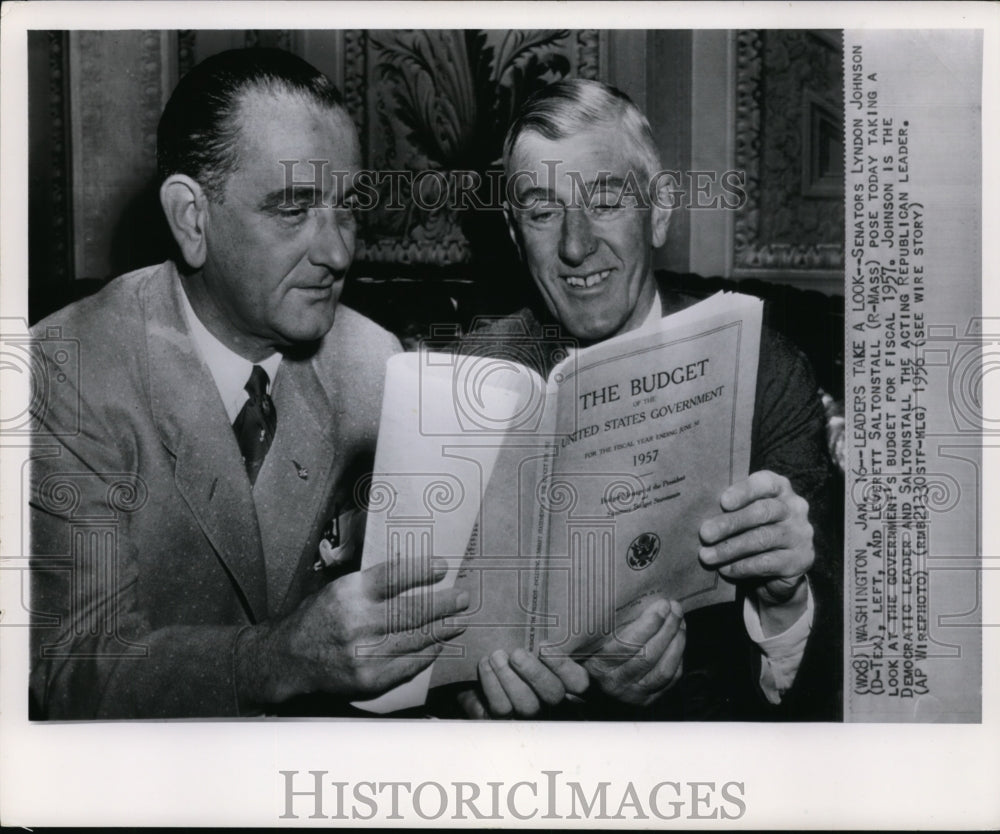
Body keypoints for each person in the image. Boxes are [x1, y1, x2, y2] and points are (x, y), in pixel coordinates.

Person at [28, 48, 470, 719]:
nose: (339, 253)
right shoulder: (69, 368)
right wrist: (277, 657)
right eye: (293, 208)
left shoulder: (376, 363)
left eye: (346, 207)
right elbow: (74, 669)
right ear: (192, 219)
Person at [455, 79, 841, 721]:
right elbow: (426, 645)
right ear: (515, 234)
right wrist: (475, 691)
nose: (576, 246)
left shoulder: (764, 372)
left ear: (659, 210)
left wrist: (782, 598)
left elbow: (829, 688)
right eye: (542, 211)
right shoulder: (477, 379)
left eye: (605, 199)